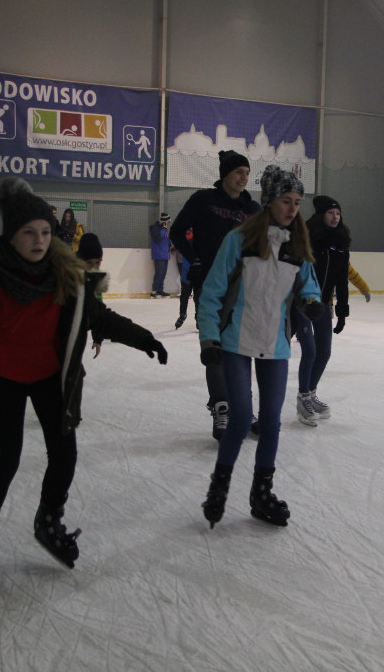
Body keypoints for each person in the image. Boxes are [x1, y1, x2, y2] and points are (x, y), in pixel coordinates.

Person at [0, 178, 168, 586]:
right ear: (11, 235)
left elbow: (99, 317)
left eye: (45, 232)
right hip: (6, 376)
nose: (39, 240)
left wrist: (144, 338)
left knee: (64, 454)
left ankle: (48, 520)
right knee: (6, 459)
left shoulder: (67, 276)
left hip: (50, 378)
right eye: (29, 232)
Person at [197, 165, 322, 529]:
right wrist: (209, 337)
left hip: (275, 344)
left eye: (297, 202)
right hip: (236, 341)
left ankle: (261, 495)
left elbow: (309, 285)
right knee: (239, 419)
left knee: (270, 422)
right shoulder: (239, 240)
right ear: (268, 202)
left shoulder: (297, 246)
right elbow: (212, 292)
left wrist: (311, 302)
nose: (293, 209)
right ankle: (218, 488)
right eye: (286, 201)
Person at [169, 150, 260, 441]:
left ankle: (243, 408)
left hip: (243, 288)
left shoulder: (253, 209)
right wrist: (194, 260)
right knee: (215, 346)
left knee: (242, 348)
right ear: (225, 175)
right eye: (238, 172)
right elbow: (177, 232)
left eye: (247, 173)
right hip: (210, 283)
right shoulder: (203, 200)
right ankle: (222, 408)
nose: (244, 178)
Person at [294, 195, 357, 425]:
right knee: (309, 351)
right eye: (331, 213)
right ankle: (303, 398)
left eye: (338, 213)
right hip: (303, 303)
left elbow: (342, 280)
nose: (335, 217)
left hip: (323, 305)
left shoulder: (341, 243)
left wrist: (342, 312)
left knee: (324, 352)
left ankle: (311, 393)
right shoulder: (309, 237)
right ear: (321, 215)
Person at [149, 213, 171, 298]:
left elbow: (166, 240)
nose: (168, 224)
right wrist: (164, 229)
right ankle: (154, 290)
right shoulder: (155, 229)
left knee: (163, 273)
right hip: (159, 254)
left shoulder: (164, 230)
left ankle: (160, 290)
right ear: (164, 222)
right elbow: (158, 238)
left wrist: (171, 245)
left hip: (165, 254)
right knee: (159, 273)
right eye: (168, 222)